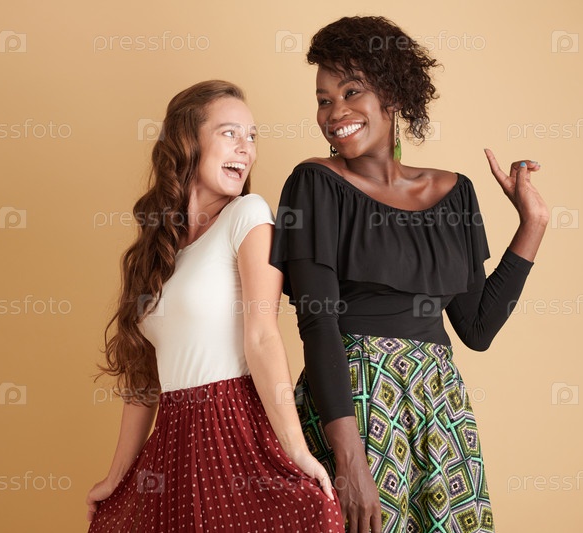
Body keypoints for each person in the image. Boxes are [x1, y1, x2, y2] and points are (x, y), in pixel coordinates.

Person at [269, 16, 548, 533]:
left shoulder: (455, 193)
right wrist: (349, 460)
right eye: (324, 99)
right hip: (356, 407)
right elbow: (318, 324)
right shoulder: (314, 184)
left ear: (393, 96)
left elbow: (477, 328)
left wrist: (532, 224)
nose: (335, 112)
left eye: (352, 91)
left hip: (440, 411)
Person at [86, 80, 344, 532]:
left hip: (232, 426)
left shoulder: (248, 215)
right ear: (187, 141)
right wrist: (116, 476)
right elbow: (143, 380)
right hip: (171, 440)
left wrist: (297, 450)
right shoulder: (155, 252)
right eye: (230, 133)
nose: (246, 149)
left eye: (252, 137)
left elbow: (262, 336)